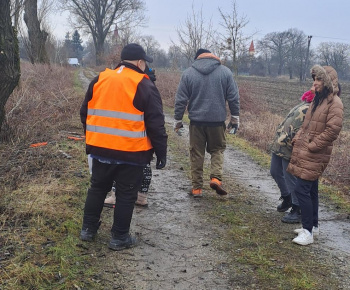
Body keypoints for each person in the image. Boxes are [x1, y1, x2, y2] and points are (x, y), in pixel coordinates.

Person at [79, 43, 167, 251]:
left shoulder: (100, 79)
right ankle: (119, 237)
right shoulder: (144, 84)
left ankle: (87, 230)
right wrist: (161, 152)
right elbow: (156, 123)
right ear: (139, 62)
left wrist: (93, 137)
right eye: (145, 62)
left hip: (100, 149)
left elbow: (85, 112)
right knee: (127, 194)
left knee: (97, 188)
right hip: (131, 152)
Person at [287, 65, 343, 246]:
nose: (315, 83)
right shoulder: (317, 100)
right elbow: (306, 125)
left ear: (327, 82)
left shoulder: (335, 103)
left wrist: (312, 146)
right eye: (314, 79)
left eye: (318, 79)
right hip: (307, 150)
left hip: (316, 153)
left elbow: (332, 130)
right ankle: (314, 226)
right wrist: (297, 138)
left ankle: (307, 232)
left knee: (301, 190)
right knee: (311, 190)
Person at [174, 48, 240, 197]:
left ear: (197, 58)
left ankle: (196, 189)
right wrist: (235, 118)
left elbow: (180, 99)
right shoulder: (225, 72)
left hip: (196, 123)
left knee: (196, 154)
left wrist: (178, 121)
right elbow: (234, 97)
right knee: (217, 150)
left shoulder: (188, 73)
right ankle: (216, 178)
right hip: (217, 122)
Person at [103, 65, 157, 208]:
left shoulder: (133, 82)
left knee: (119, 164)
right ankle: (141, 197)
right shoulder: (150, 86)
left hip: (128, 133)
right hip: (145, 135)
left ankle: (115, 196)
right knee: (145, 165)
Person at [270, 86, 315, 223]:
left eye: (316, 83)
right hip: (281, 144)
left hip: (291, 147)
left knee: (290, 177)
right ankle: (287, 197)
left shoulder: (316, 106)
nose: (313, 86)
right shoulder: (305, 101)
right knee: (275, 171)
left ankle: (297, 208)